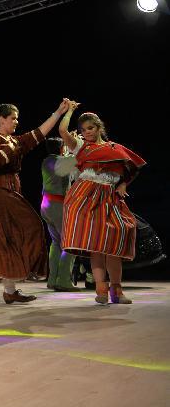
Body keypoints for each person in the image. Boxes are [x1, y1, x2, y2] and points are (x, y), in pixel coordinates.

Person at [0, 100, 72, 304]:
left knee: (10, 238)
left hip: (6, 190)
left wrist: (58, 113)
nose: (16, 122)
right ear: (1, 119)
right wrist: (12, 148)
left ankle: (10, 291)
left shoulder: (13, 140)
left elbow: (38, 133)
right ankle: (27, 270)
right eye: (13, 118)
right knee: (27, 228)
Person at [59, 106, 145, 304]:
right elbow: (63, 131)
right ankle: (101, 291)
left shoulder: (115, 148)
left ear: (99, 128)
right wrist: (69, 111)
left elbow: (132, 168)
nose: (86, 132)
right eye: (83, 130)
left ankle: (117, 291)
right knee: (96, 246)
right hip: (85, 197)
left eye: (90, 128)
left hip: (109, 197)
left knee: (113, 245)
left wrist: (123, 184)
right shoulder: (82, 147)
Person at [40, 137, 79, 292]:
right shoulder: (61, 161)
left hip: (46, 205)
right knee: (69, 244)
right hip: (57, 205)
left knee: (56, 243)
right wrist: (74, 143)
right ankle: (63, 280)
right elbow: (79, 158)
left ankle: (52, 280)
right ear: (61, 148)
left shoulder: (46, 161)